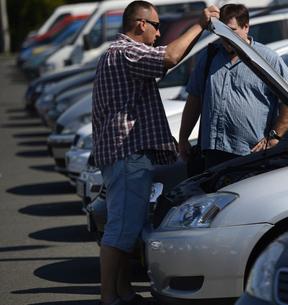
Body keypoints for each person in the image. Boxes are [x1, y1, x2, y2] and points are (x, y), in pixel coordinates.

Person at [91, 2, 219, 305]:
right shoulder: (126, 51)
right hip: (127, 155)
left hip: (127, 155)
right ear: (140, 25)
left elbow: (169, 57)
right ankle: (109, 297)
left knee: (126, 230)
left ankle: (123, 292)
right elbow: (171, 56)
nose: (160, 32)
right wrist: (200, 25)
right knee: (120, 230)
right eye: (156, 26)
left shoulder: (119, 53)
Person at [178, 3, 288, 169]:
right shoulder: (210, 55)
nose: (225, 36)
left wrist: (274, 137)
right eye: (221, 30)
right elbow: (195, 98)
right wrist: (183, 137)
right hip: (213, 153)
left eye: (232, 30)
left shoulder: (266, 59)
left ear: (246, 27)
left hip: (250, 155)